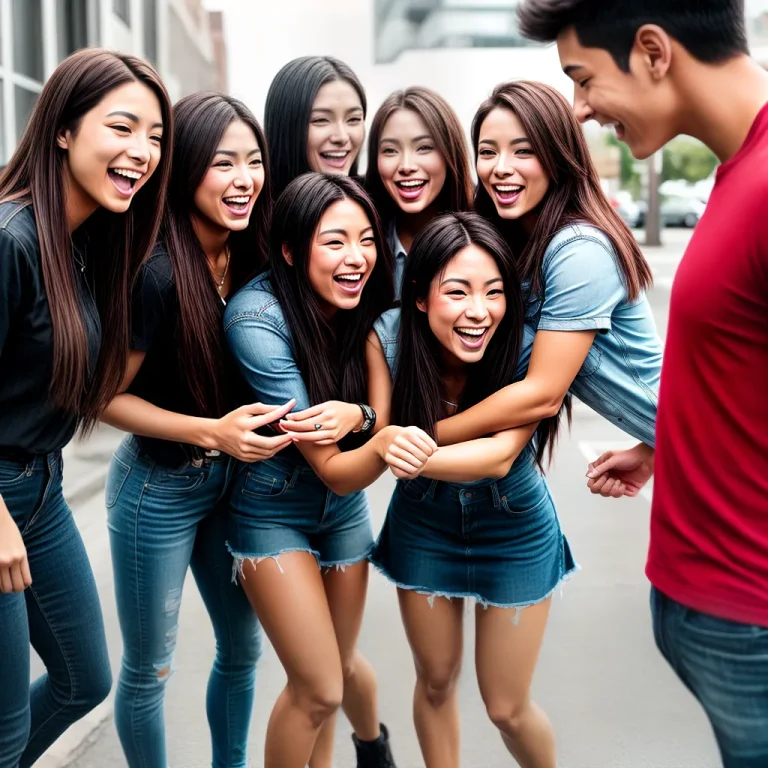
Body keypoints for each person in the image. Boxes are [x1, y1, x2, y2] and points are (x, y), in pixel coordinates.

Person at [516, 1, 768, 763]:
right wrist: (673, 450)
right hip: (725, 613)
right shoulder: (740, 172)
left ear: (654, 51)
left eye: (584, 78)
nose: (582, 109)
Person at [224, 172, 433, 768]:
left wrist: (364, 414)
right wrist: (382, 431)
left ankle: (372, 744)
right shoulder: (257, 318)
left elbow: (374, 416)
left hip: (342, 512)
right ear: (291, 251)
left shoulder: (373, 308)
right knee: (317, 688)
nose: (356, 257)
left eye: (366, 239)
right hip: (273, 507)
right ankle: (371, 744)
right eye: (334, 241)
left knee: (336, 671)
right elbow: (336, 467)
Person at [101, 92, 284, 768]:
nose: (244, 179)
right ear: (185, 173)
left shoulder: (254, 257)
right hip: (158, 487)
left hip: (233, 485)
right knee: (149, 668)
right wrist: (213, 431)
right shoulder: (153, 272)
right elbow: (105, 399)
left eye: (255, 161)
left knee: (242, 648)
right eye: (222, 163)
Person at [0, 49, 172, 767]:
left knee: (82, 679)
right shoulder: (10, 240)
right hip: (3, 496)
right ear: (64, 130)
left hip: (42, 487)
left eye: (156, 137)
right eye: (123, 127)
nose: (142, 152)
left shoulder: (81, 246)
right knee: (7, 729)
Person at [369, 211, 576, 768]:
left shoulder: (528, 347)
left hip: (514, 526)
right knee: (434, 682)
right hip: (422, 524)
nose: (478, 312)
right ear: (419, 297)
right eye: (456, 292)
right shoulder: (387, 339)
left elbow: (500, 455)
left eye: (494, 292)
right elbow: (383, 436)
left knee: (507, 707)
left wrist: (410, 450)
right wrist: (387, 443)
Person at [436, 80, 660, 483]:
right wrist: (653, 450)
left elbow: (542, 393)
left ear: (558, 155)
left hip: (724, 448)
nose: (500, 167)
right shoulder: (518, 242)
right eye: (488, 152)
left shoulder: (580, 249)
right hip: (688, 443)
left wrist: (421, 436)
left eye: (524, 150)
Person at [364, 86, 473, 299]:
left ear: (450, 152)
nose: (406, 165)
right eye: (390, 150)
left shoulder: (484, 237)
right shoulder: (363, 246)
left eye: (423, 147)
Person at [265, 56, 366, 200]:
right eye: (321, 120)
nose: (342, 137)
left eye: (353, 119)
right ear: (286, 128)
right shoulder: (249, 217)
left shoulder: (380, 213)